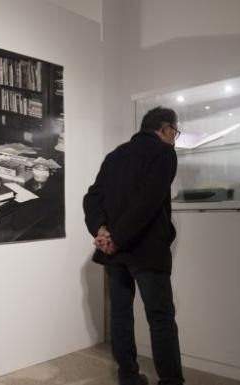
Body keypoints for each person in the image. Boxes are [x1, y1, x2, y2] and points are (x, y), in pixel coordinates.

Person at [83, 107, 184, 385]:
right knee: (161, 318)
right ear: (164, 128)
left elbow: (92, 198)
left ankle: (128, 377)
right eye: (175, 132)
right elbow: (148, 202)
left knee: (121, 316)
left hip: (115, 253)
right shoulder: (164, 153)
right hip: (146, 249)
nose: (175, 137)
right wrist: (115, 237)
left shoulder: (115, 156)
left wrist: (101, 230)